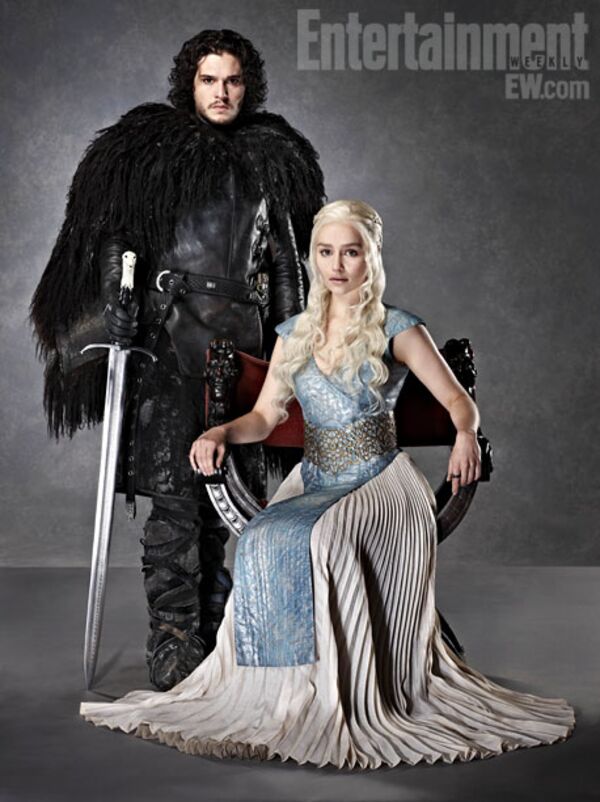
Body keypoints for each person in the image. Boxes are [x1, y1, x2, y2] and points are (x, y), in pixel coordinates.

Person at [80, 200, 574, 769]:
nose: (337, 265)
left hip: (379, 479)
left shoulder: (398, 327)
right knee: (264, 538)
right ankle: (281, 696)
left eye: (351, 252)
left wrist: (465, 433)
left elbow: (458, 401)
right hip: (314, 476)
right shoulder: (295, 333)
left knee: (322, 542)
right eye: (325, 252)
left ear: (371, 257)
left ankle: (339, 695)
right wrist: (221, 430)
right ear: (313, 259)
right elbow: (264, 417)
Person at [30, 30, 325, 691]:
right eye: (208, 80)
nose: (221, 92)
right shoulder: (149, 153)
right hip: (166, 343)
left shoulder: (273, 159)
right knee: (174, 500)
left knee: (227, 501)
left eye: (233, 81)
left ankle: (216, 634)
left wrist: (291, 349)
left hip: (242, 351)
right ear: (188, 83)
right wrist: (118, 298)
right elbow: (118, 237)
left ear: (249, 87)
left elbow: (286, 266)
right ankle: (172, 640)